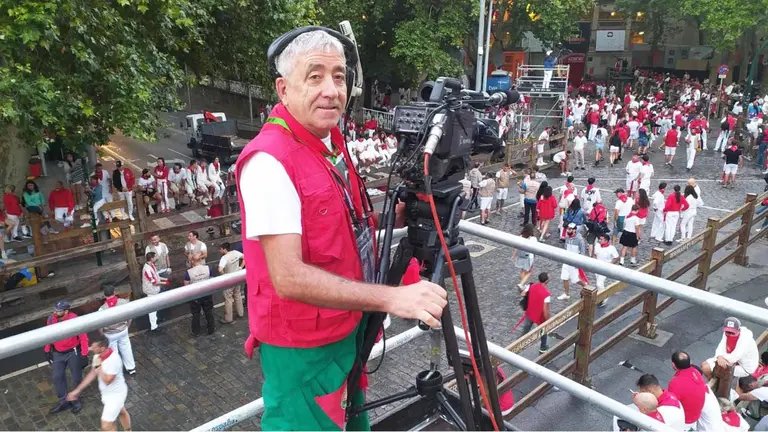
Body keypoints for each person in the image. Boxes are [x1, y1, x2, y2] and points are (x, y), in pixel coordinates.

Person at [235, 28, 447, 430]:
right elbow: (288, 277)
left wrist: (398, 215)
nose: (331, 91)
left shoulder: (328, 139)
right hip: (305, 349)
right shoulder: (269, 161)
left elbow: (339, 223)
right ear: (283, 89)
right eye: (314, 76)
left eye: (338, 76)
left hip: (344, 330)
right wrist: (392, 298)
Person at [66, 333, 131, 432]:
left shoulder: (114, 360)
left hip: (116, 395)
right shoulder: (97, 356)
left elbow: (108, 381)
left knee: (106, 426)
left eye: (94, 347)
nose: (91, 349)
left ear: (102, 348)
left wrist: (99, 368)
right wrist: (76, 391)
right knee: (121, 412)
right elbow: (92, 374)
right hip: (107, 394)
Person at [44, 300, 89, 414]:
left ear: (66, 311)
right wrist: (47, 349)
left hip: (73, 352)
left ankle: (75, 399)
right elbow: (49, 335)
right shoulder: (51, 319)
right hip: (58, 353)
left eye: (58, 311)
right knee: (57, 377)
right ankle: (63, 401)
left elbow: (83, 337)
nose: (55, 313)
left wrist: (84, 354)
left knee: (76, 377)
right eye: (55, 310)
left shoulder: (74, 319)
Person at [98, 286, 135, 375]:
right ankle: (131, 368)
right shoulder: (123, 302)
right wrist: (127, 325)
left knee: (113, 353)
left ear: (104, 295)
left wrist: (102, 333)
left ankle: (116, 370)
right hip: (123, 330)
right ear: (114, 292)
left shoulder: (102, 308)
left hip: (110, 334)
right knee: (126, 348)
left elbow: (100, 324)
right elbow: (130, 315)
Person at [668, 351, 707, 429]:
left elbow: (670, 406)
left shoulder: (675, 383)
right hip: (695, 418)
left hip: (683, 422)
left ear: (673, 365)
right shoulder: (696, 372)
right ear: (690, 362)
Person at [184, 253, 217, 335]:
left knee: (196, 314)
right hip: (206, 293)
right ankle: (211, 328)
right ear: (201, 260)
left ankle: (196, 331)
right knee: (209, 311)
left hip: (195, 296)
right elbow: (212, 281)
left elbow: (186, 286)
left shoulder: (188, 272)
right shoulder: (208, 268)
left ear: (192, 261)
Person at [519, 272, 552, 353]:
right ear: (546, 281)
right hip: (539, 316)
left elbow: (523, 294)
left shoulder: (531, 285)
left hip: (530, 312)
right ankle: (543, 347)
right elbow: (545, 310)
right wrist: (548, 320)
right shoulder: (547, 294)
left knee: (525, 330)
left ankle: (519, 345)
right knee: (543, 331)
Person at [218, 242, 245, 324]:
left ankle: (228, 318)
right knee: (237, 295)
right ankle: (240, 313)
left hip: (229, 281)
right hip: (237, 278)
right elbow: (245, 257)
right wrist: (240, 267)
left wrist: (224, 275)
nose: (220, 251)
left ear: (224, 249)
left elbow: (220, 269)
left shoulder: (224, 258)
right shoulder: (236, 253)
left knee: (228, 299)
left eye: (220, 249)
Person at [559, 223, 586, 300]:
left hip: (574, 263)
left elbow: (582, 253)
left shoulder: (580, 240)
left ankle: (586, 286)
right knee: (564, 277)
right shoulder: (567, 237)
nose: (568, 230)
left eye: (570, 229)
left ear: (574, 230)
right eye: (568, 229)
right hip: (566, 261)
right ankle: (566, 294)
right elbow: (566, 248)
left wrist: (579, 263)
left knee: (575, 280)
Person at [142, 252, 167, 332]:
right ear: (152, 258)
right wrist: (165, 283)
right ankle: (153, 327)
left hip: (154, 290)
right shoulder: (147, 269)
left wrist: (165, 279)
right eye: (155, 257)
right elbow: (154, 282)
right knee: (152, 310)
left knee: (156, 307)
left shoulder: (151, 265)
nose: (156, 258)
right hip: (151, 291)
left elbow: (156, 276)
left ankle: (156, 320)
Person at [592, 233, 618, 307]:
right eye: (599, 239)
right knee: (598, 282)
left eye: (601, 239)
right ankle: (600, 296)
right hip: (597, 267)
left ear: (606, 241)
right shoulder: (597, 245)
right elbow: (595, 254)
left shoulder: (611, 248)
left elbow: (616, 257)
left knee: (599, 283)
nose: (599, 240)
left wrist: (610, 264)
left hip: (605, 268)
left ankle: (604, 298)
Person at [511, 224, 538, 290]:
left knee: (522, 270)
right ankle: (521, 284)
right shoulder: (533, 239)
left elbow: (516, 247)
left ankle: (522, 283)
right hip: (529, 257)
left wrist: (514, 255)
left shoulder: (520, 237)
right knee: (529, 272)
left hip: (521, 256)